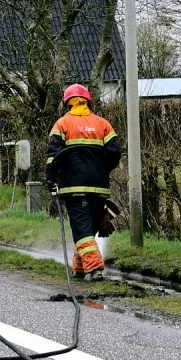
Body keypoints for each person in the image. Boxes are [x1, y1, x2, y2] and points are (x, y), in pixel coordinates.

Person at [46, 83, 123, 280]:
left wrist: (51, 178)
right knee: (87, 228)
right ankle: (80, 267)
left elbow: (53, 156)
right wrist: (102, 169)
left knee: (82, 228)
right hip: (99, 186)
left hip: (73, 186)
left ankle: (94, 268)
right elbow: (115, 152)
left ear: (67, 103)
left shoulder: (62, 124)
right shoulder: (102, 124)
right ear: (88, 101)